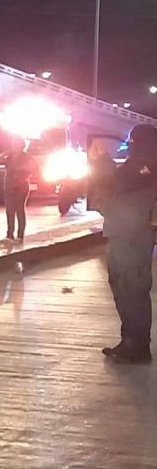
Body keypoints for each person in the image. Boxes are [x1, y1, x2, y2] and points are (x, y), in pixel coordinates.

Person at [98, 124, 157, 363]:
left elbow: (118, 183)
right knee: (124, 288)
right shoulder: (143, 163)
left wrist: (102, 161)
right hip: (126, 234)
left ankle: (137, 346)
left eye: (133, 140)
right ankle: (130, 342)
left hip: (132, 237)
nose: (130, 145)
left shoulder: (145, 165)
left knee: (131, 290)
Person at [0, 138, 38, 243]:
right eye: (14, 145)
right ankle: (10, 235)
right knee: (10, 211)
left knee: (19, 211)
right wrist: (5, 153)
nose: (15, 147)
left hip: (21, 187)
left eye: (17, 145)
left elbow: (35, 169)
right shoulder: (10, 157)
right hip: (9, 187)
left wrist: (23, 174)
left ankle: (20, 236)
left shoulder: (26, 158)